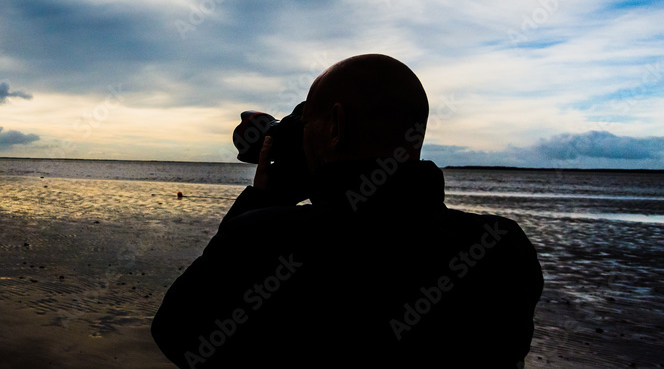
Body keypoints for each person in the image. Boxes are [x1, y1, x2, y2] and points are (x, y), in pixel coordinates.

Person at [151, 54, 543, 368]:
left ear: (336, 125)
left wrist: (266, 201)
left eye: (307, 125)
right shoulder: (503, 248)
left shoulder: (263, 242)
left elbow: (177, 334)